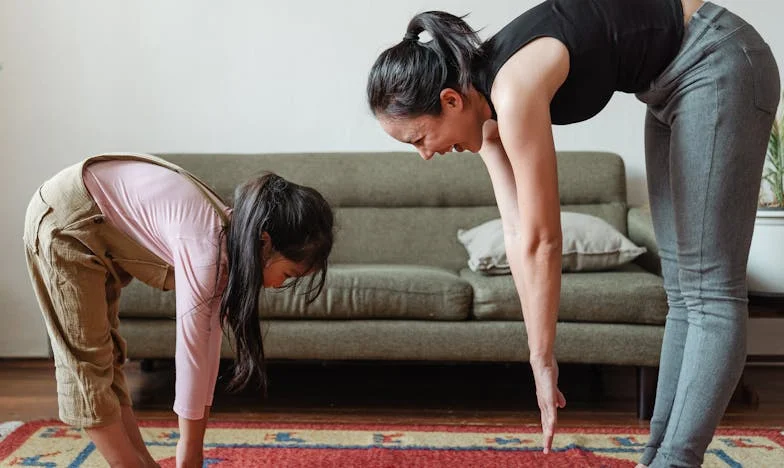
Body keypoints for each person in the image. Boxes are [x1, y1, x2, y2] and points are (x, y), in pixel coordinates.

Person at [367, 0, 780, 466]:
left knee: (710, 291)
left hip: (716, 59)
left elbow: (545, 240)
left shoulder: (513, 89)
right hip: (665, 88)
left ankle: (675, 461)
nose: (424, 155)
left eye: (419, 139)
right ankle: (656, 458)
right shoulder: (485, 115)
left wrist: (544, 360)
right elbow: (518, 233)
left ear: (450, 100)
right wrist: (535, 353)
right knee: (683, 292)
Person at [23, 153, 334, 467]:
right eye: (289, 275)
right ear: (265, 242)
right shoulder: (207, 248)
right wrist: (189, 453)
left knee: (108, 357)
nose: (278, 286)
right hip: (64, 219)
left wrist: (192, 451)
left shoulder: (230, 244)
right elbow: (192, 351)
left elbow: (207, 349)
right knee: (87, 365)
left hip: (93, 217)